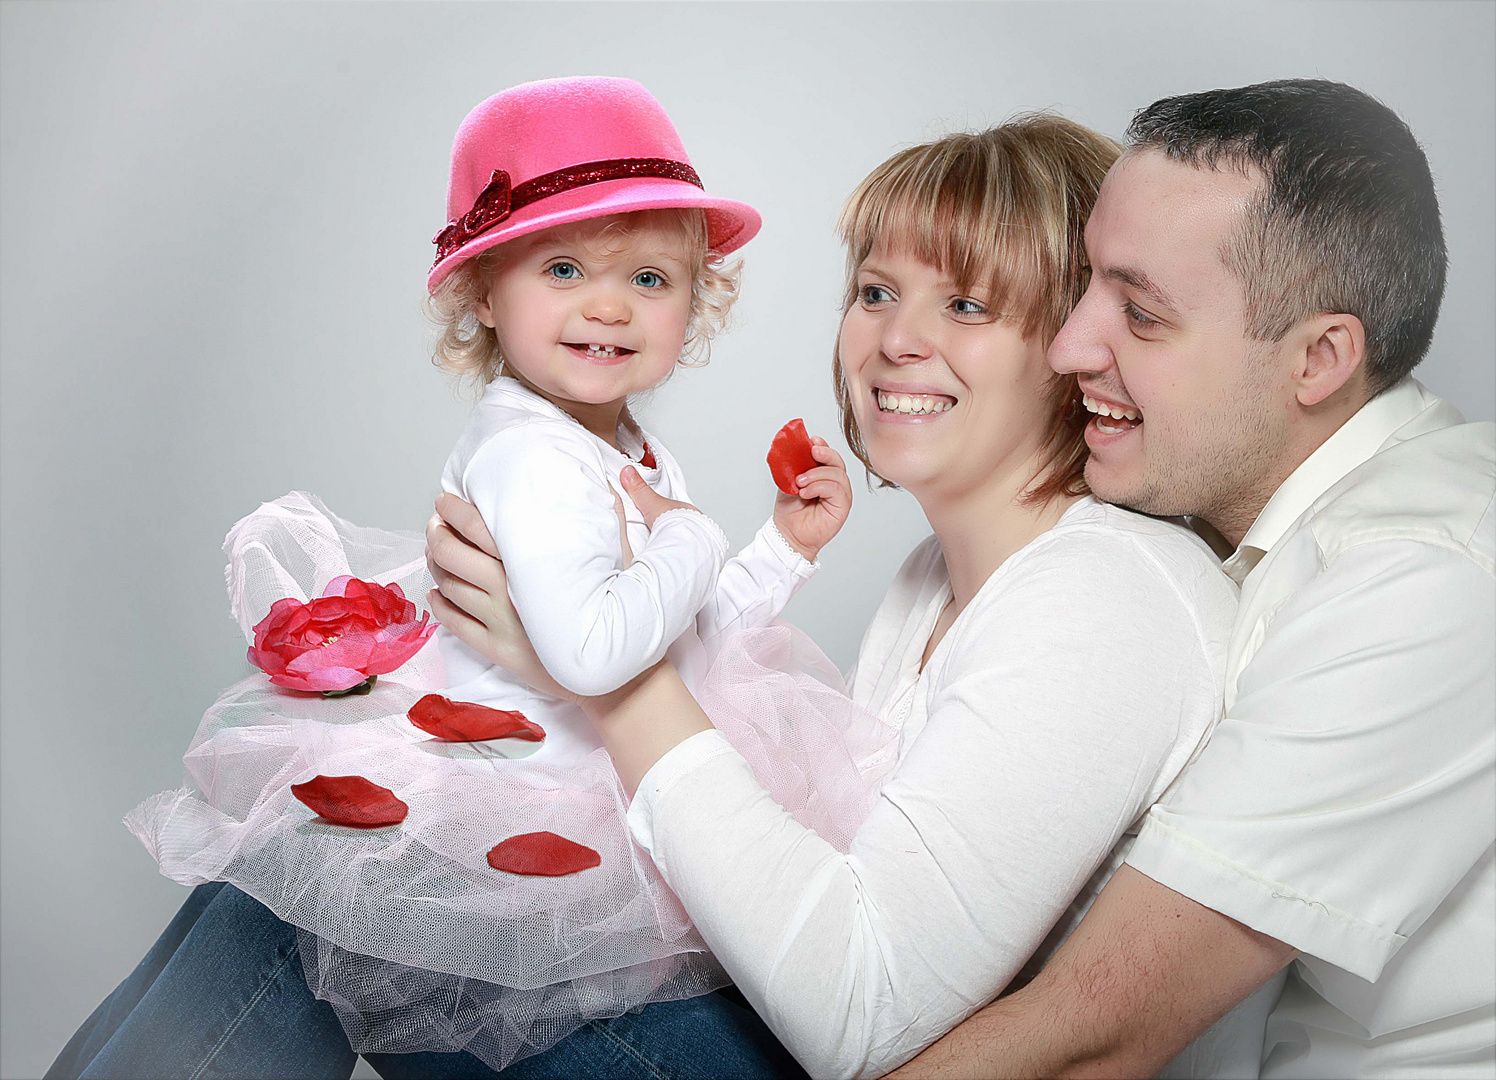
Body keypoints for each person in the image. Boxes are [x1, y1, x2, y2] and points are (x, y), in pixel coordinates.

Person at [421, 114, 1274, 1079]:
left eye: (968, 306)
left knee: (301, 919)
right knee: (337, 909)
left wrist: (606, 680)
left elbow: (860, 1019)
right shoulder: (928, 582)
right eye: (876, 292)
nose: (897, 340)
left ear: (1076, 343)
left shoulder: (1105, 596)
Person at [112, 75, 853, 1072]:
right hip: (530, 795)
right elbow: (595, 654)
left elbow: (680, 645)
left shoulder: (619, 446)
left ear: (694, 301)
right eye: (560, 267)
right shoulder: (531, 456)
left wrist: (780, 550)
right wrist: (692, 539)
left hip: (603, 774)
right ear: (484, 296)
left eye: (648, 278)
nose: (608, 305)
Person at [883, 79, 1496, 1079]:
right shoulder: (1187, 524)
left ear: (1317, 361)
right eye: (1085, 284)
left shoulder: (1424, 579)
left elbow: (1095, 1035)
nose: (1068, 344)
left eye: (1141, 313)